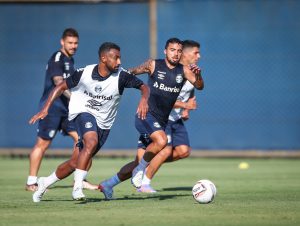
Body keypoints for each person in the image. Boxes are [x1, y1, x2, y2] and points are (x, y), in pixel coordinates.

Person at [29, 42, 149, 202]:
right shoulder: (84, 73)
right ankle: (78, 187)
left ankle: (45, 182)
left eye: (120, 58)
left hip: (104, 123)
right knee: (91, 141)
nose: (119, 62)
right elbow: (60, 86)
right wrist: (45, 109)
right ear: (103, 58)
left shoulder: (122, 76)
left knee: (75, 162)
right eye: (116, 58)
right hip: (82, 112)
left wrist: (143, 99)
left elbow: (144, 87)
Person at [98, 38, 204, 199]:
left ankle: (108, 184)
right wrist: (111, 79)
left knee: (139, 160)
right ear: (165, 51)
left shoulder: (184, 71)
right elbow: (130, 72)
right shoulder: (153, 64)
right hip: (145, 115)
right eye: (172, 50)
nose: (175, 54)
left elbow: (199, 86)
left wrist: (199, 75)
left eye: (178, 51)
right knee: (161, 143)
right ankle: (141, 172)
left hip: (161, 120)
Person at [137, 40, 201, 193]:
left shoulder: (189, 72)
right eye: (196, 53)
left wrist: (187, 109)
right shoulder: (169, 71)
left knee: (184, 151)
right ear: (184, 53)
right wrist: (185, 106)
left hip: (176, 119)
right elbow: (164, 99)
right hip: (160, 117)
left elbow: (189, 92)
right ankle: (144, 183)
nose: (199, 56)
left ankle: (146, 161)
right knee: (165, 150)